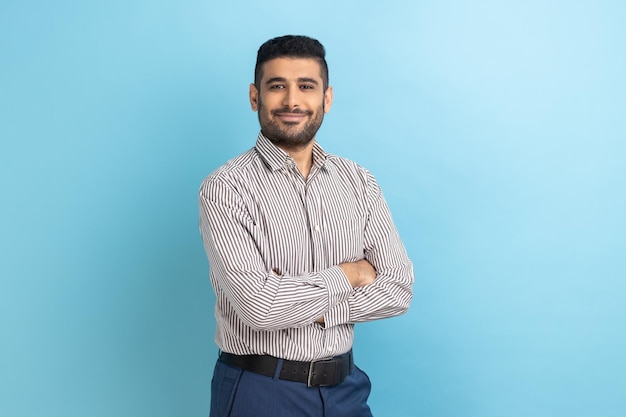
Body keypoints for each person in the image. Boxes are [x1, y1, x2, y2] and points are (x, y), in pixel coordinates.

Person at [199, 35, 414, 417]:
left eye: (306, 87)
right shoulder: (225, 188)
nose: (292, 101)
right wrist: (350, 273)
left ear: (326, 98)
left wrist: (298, 300)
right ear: (255, 97)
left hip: (346, 390)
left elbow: (398, 289)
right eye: (277, 86)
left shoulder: (358, 182)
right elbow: (261, 309)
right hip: (261, 389)